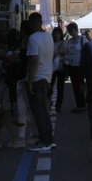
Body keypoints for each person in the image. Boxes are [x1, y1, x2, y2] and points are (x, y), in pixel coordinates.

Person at [24, 13, 56, 152]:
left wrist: (29, 80)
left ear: (32, 23)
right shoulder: (48, 36)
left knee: (38, 112)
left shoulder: (33, 38)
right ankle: (49, 139)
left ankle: (44, 141)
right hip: (47, 77)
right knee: (44, 111)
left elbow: (34, 60)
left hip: (37, 78)